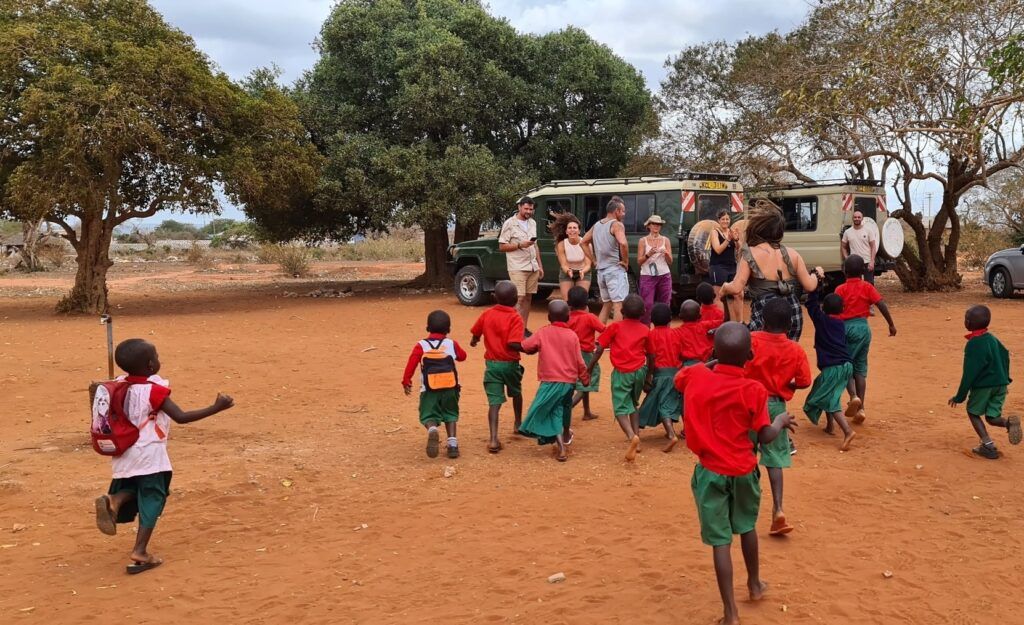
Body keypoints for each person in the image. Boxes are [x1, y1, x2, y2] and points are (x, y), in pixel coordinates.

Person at [674, 322, 796, 625]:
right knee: (747, 527)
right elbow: (765, 435)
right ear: (750, 355)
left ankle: (730, 614)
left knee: (720, 542)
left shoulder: (697, 375)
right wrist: (780, 421)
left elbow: (681, 378)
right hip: (743, 470)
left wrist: (712, 362)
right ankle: (754, 584)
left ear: (715, 352)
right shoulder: (754, 389)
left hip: (710, 472)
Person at [93, 338, 234, 574]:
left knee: (135, 487)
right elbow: (181, 417)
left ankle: (115, 500)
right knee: (153, 497)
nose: (159, 360)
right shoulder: (154, 391)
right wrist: (216, 407)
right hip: (150, 453)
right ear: (150, 365)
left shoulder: (117, 385)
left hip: (125, 451)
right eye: (156, 357)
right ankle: (140, 551)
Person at [745, 298, 812, 536]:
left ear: (762, 320)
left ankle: (743, 506)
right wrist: (789, 384)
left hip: (747, 402)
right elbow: (804, 381)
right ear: (789, 324)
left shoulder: (751, 341)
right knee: (774, 458)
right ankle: (778, 509)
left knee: (745, 454)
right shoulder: (795, 349)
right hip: (775, 406)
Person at [721, 203, 822, 340]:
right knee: (786, 354)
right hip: (792, 314)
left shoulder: (750, 253)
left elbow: (737, 287)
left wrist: (725, 288)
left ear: (758, 228)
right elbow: (810, 285)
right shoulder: (793, 254)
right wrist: (816, 273)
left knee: (760, 353)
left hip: (765, 315)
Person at [517, 300, 591, 462]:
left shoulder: (544, 332)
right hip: (569, 383)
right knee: (565, 409)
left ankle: (561, 448)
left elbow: (526, 346)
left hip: (551, 381)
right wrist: (585, 379)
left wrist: (512, 345)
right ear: (568, 318)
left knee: (552, 411)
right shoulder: (572, 336)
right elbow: (580, 362)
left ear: (549, 317)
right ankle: (565, 435)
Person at [949, 305, 1022, 459]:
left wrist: (959, 397)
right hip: (1000, 384)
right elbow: (1005, 355)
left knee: (973, 411)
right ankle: (1008, 424)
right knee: (991, 417)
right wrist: (1005, 379)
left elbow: (969, 374)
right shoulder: (992, 339)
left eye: (966, 318)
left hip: (984, 385)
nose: (965, 321)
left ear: (969, 323)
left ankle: (987, 445)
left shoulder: (974, 344)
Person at [587, 294, 654, 461]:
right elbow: (651, 356)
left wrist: (590, 367)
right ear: (643, 312)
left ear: (622, 311)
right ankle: (636, 437)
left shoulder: (614, 327)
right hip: (640, 371)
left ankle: (632, 436)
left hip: (622, 373)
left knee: (620, 408)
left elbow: (599, 349)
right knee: (633, 404)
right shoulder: (646, 330)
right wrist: (648, 377)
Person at [835, 255, 897, 423]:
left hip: (846, 328)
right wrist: (891, 324)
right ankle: (861, 409)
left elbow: (834, 310)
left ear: (844, 271)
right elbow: (881, 304)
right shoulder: (867, 286)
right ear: (863, 271)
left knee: (845, 364)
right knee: (860, 369)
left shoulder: (840, 289)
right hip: (863, 329)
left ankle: (854, 396)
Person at [403, 310, 468, 459]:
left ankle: (432, 429)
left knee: (428, 414)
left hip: (429, 389)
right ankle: (452, 445)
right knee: (451, 414)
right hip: (451, 387)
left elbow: (411, 365)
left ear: (427, 329)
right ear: (449, 330)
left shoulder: (421, 345)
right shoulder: (451, 343)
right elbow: (463, 357)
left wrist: (406, 381)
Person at [470, 281, 526, 453]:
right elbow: (514, 343)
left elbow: (476, 331)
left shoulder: (487, 313)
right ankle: (518, 423)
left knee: (494, 402)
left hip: (492, 365)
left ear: (495, 297)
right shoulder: (516, 317)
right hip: (510, 364)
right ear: (516, 299)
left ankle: (493, 439)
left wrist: (475, 340)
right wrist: (528, 347)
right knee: (516, 392)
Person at [802, 291, 857, 451]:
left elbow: (811, 305)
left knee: (827, 398)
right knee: (828, 392)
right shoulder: (840, 324)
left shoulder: (822, 320)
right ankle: (830, 425)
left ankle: (847, 431)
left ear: (824, 308)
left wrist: (814, 286)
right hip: (846, 365)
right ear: (842, 309)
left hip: (833, 367)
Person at [638, 302, 682, 452]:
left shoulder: (650, 335)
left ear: (651, 320)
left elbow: (650, 357)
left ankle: (671, 434)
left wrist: (648, 376)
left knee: (655, 404)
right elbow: (681, 353)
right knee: (666, 402)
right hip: (675, 374)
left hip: (659, 374)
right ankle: (668, 432)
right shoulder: (676, 333)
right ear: (670, 319)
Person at [497, 196, 544, 332]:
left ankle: (523, 328)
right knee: (519, 298)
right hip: (517, 266)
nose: (528, 211)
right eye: (526, 208)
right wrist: (519, 245)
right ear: (519, 207)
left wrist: (540, 265)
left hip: (532, 266)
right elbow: (502, 246)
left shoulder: (533, 223)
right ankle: (513, 329)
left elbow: (535, 246)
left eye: (531, 209)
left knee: (528, 298)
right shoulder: (509, 224)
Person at [581, 196, 630, 324]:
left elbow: (583, 242)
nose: (624, 214)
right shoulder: (617, 224)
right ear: (617, 211)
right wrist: (625, 262)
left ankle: (599, 338)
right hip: (614, 270)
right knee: (619, 305)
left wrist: (594, 260)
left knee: (607, 304)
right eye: (623, 211)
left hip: (601, 271)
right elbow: (623, 244)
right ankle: (617, 338)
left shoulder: (597, 225)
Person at [566, 286, 606, 421]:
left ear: (569, 303)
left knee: (580, 381)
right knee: (588, 380)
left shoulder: (567, 317)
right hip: (586, 355)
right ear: (586, 303)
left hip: (570, 354)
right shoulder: (590, 317)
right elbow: (604, 330)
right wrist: (598, 342)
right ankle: (566, 409)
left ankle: (587, 411)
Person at [708, 209, 743, 322]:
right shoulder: (714, 232)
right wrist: (728, 239)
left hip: (731, 266)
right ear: (718, 220)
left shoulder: (731, 231)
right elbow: (717, 250)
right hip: (718, 267)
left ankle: (740, 323)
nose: (725, 221)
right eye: (723, 219)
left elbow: (739, 248)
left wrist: (736, 239)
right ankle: (720, 324)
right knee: (718, 296)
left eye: (727, 219)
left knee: (739, 294)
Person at [637, 214, 672, 326]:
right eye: (654, 224)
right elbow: (639, 261)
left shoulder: (666, 240)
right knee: (647, 304)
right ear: (649, 226)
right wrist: (648, 254)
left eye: (659, 224)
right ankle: (645, 331)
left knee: (665, 303)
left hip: (664, 275)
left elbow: (670, 261)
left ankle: (664, 330)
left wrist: (666, 253)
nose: (656, 226)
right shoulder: (643, 241)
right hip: (647, 275)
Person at [551, 212, 593, 302]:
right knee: (568, 301)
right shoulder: (561, 244)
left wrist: (582, 271)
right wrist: (568, 271)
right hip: (567, 272)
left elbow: (588, 264)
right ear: (566, 231)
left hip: (583, 272)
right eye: (569, 228)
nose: (572, 230)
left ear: (579, 231)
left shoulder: (586, 244)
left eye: (575, 228)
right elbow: (563, 264)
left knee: (581, 302)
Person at [841, 210, 879, 284]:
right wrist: (847, 258)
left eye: (859, 217)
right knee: (855, 285)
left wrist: (872, 261)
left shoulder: (868, 230)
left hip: (867, 262)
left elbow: (873, 246)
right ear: (852, 218)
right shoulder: (847, 232)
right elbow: (843, 246)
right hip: (854, 263)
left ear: (862, 218)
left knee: (869, 284)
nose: (857, 219)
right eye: (855, 217)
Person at [675, 300, 714, 367]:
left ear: (680, 316)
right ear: (699, 316)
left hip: (688, 365)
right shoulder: (705, 326)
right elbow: (724, 321)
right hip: (707, 363)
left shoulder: (676, 332)